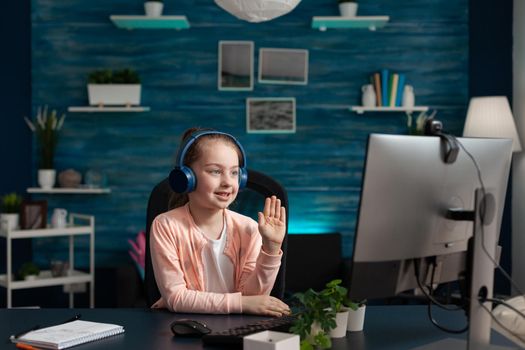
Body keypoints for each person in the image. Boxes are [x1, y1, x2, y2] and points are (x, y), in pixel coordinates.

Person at [150, 127, 290, 316]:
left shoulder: (249, 228)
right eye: (215, 171)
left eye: (234, 173)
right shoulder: (166, 226)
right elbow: (176, 298)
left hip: (236, 328)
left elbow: (254, 298)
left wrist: (271, 249)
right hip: (184, 327)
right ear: (186, 177)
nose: (227, 182)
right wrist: (241, 303)